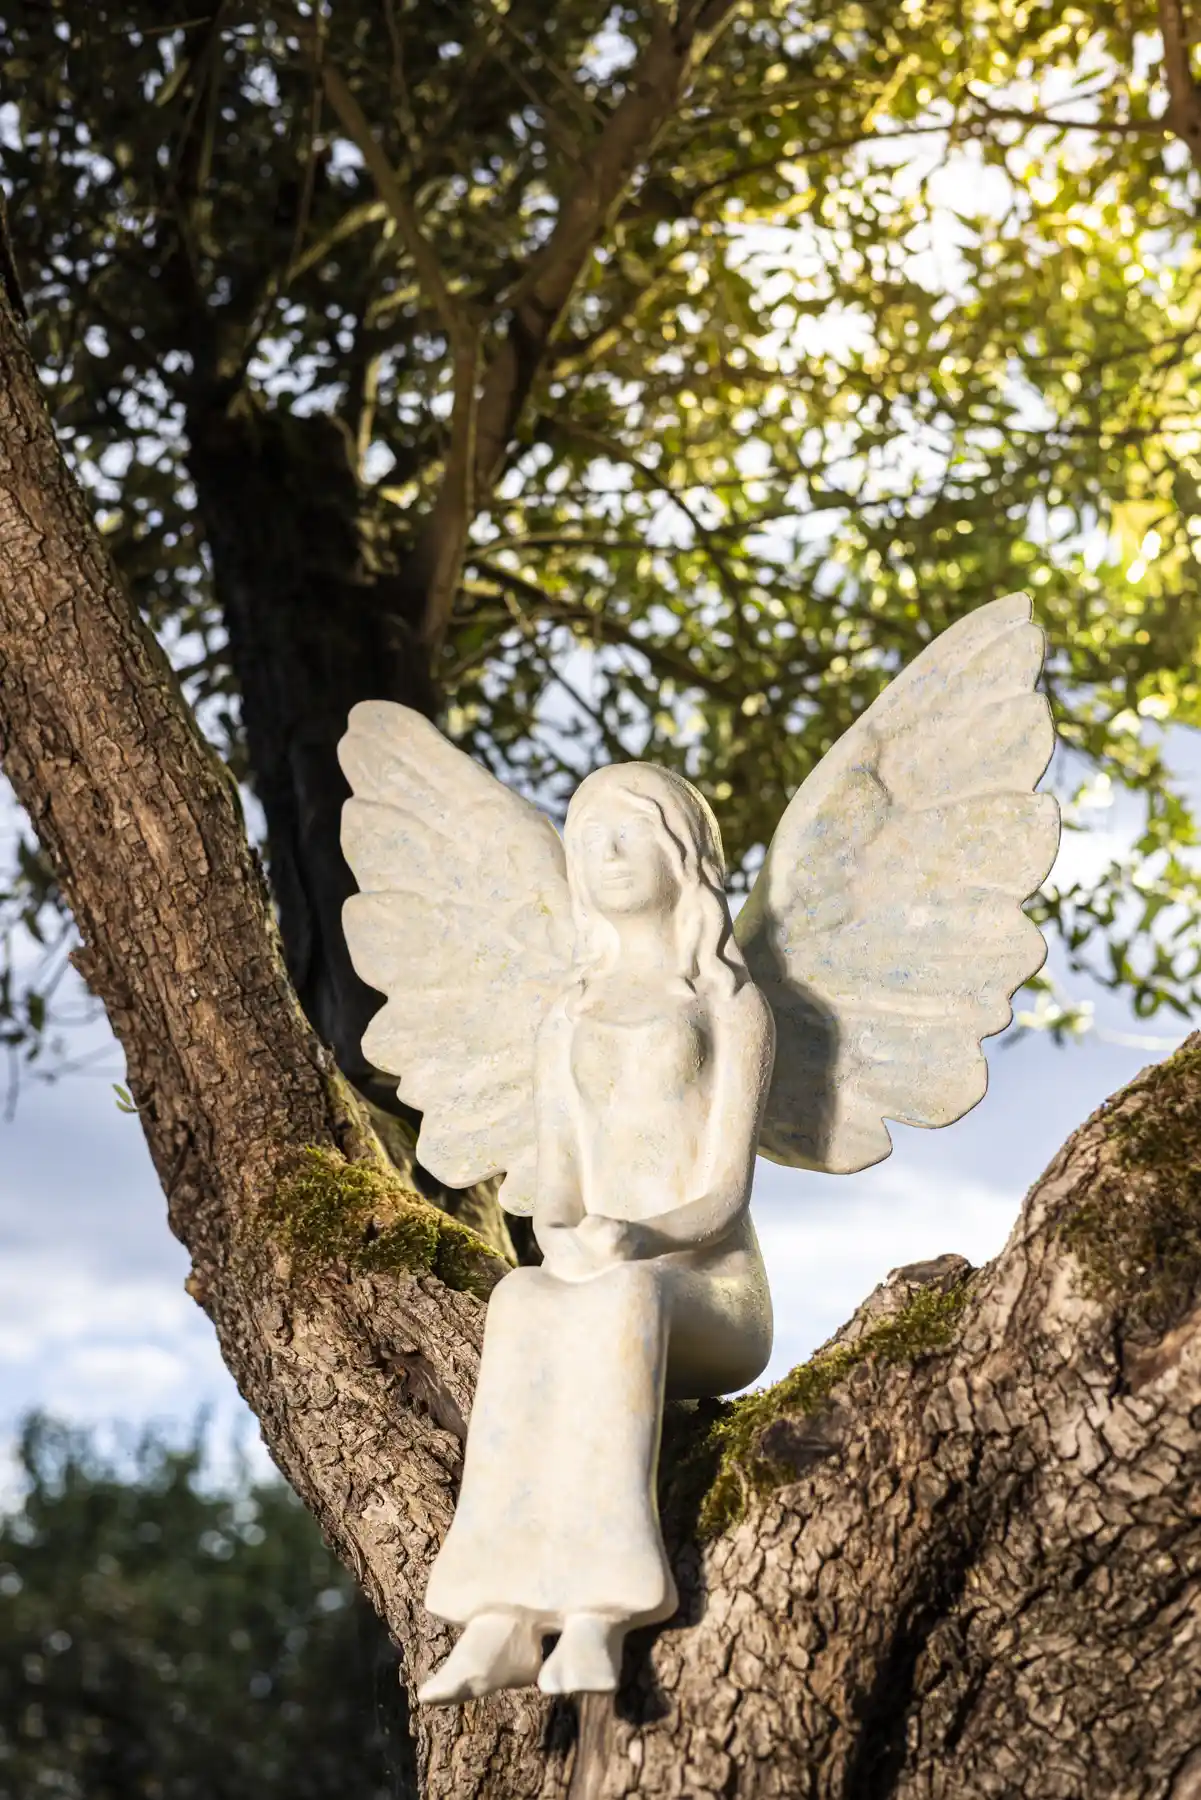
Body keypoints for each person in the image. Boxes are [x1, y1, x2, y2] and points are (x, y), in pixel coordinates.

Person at [419, 763, 775, 1703]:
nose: (607, 853)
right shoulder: (565, 1014)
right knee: (519, 1293)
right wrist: (568, 1237)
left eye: (631, 832)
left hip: (707, 1287)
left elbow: (723, 1195)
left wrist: (639, 1238)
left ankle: (599, 1612)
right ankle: (497, 1616)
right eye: (588, 838)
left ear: (682, 852)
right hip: (600, 1269)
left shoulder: (728, 1003)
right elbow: (557, 1190)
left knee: (620, 1296)